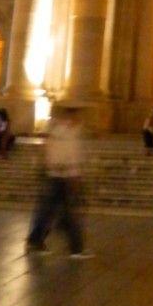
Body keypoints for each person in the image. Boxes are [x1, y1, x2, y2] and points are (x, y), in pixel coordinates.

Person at [26, 105, 92, 259]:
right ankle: (75, 248)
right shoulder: (62, 134)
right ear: (69, 117)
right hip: (61, 176)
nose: (79, 119)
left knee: (51, 211)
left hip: (60, 176)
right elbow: (61, 156)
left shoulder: (66, 132)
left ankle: (37, 241)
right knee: (66, 213)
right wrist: (73, 174)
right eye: (76, 116)